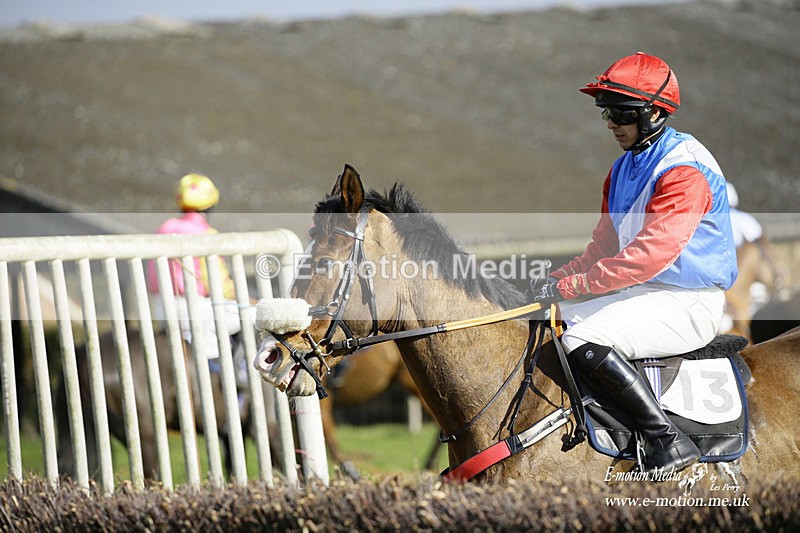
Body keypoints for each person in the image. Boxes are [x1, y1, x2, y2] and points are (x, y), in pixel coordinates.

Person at [530, 52, 737, 475]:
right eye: (606, 111)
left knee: (578, 339)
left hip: (689, 302)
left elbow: (647, 257)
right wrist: (552, 282)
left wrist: (571, 288)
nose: (610, 122)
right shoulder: (621, 169)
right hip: (646, 295)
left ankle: (667, 440)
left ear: (656, 113)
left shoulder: (685, 170)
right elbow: (603, 247)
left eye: (622, 112)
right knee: (549, 323)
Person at [147, 173, 241, 361]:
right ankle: (235, 373)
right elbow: (218, 284)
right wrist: (242, 297)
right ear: (210, 205)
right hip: (195, 308)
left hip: (162, 307)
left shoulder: (165, 227)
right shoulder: (206, 233)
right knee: (249, 317)